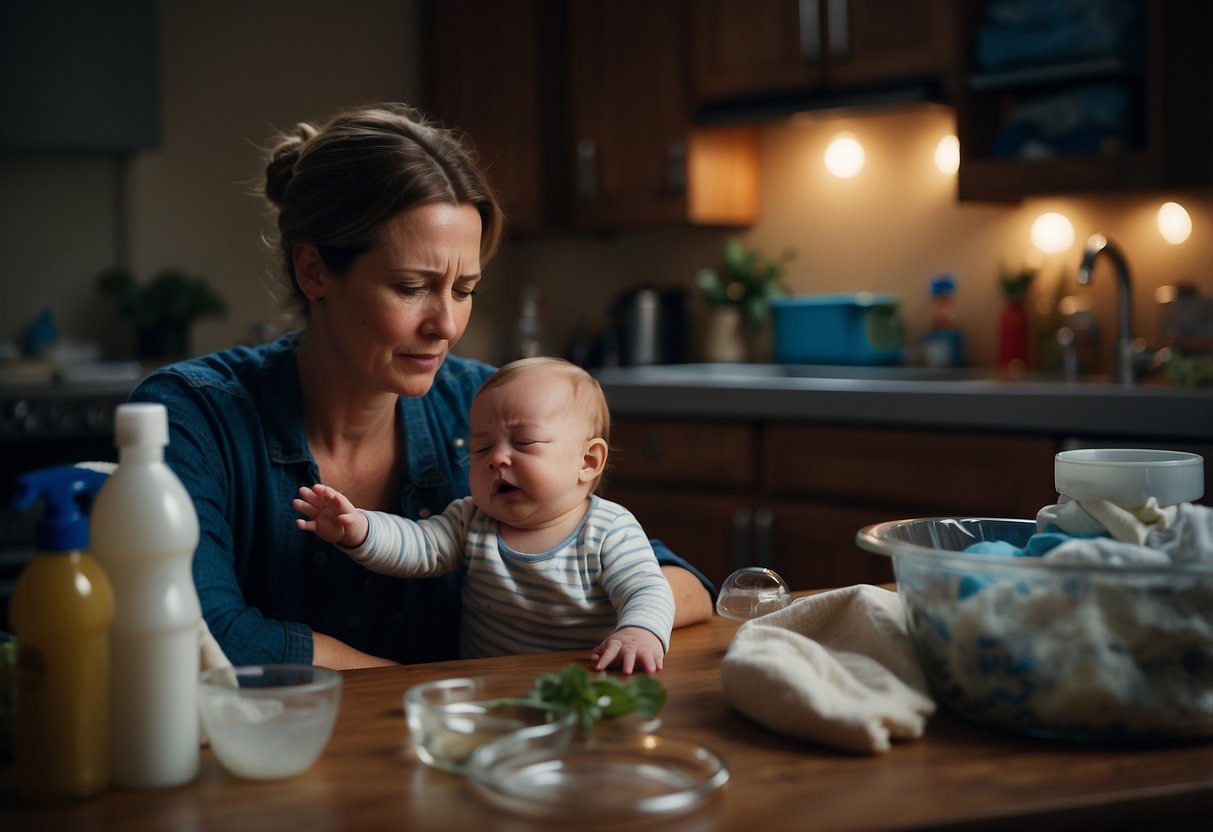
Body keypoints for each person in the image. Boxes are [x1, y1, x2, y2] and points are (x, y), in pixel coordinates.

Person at [126, 103, 714, 670]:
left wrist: (628, 613)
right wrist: (414, 691)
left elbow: (681, 584)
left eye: (464, 290)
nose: (448, 326)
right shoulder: (192, 413)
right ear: (315, 272)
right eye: (412, 287)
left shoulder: (490, 410)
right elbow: (200, 629)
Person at [294, 357, 672, 674]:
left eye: (523, 442)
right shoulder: (472, 519)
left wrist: (639, 632)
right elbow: (417, 545)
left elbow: (646, 588)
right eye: (480, 449)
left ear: (587, 461)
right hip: (486, 689)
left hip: (579, 686)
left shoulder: (608, 530)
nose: (497, 458)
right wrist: (358, 527)